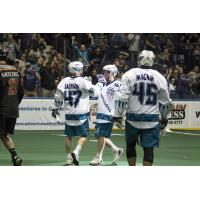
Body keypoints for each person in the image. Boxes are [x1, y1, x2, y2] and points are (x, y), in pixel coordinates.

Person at [114, 50, 171, 166]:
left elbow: (121, 97)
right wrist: (164, 118)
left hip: (132, 118)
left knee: (130, 145)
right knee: (149, 149)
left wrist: (117, 115)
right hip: (151, 119)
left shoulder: (130, 74)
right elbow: (166, 102)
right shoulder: (159, 76)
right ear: (153, 61)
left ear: (139, 60)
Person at [51, 61, 101, 166]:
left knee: (69, 136)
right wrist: (94, 84)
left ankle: (68, 158)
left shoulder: (63, 81)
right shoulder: (83, 81)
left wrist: (55, 109)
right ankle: (76, 152)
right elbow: (95, 93)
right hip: (81, 113)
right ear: (78, 69)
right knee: (84, 135)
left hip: (69, 112)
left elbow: (58, 97)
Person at [89, 65, 123, 166]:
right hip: (101, 112)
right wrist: (94, 84)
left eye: (108, 72)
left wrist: (119, 114)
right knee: (98, 135)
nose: (105, 74)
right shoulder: (103, 83)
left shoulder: (118, 84)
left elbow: (122, 98)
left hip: (109, 113)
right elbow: (94, 94)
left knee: (101, 135)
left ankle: (98, 157)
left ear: (114, 73)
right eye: (105, 72)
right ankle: (116, 149)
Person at [0, 48, 24, 166]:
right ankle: (15, 155)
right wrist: (14, 104)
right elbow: (21, 92)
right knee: (3, 135)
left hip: (1, 108)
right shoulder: (16, 69)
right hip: (13, 109)